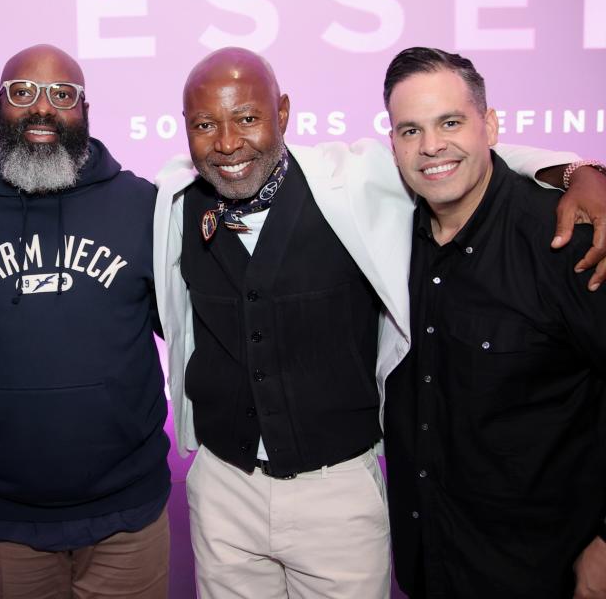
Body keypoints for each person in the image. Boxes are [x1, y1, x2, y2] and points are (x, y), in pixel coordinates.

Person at [152, 46, 606, 599]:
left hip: (339, 492)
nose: (227, 141)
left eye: (248, 117)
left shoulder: (356, 182)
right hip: (224, 490)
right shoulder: (172, 201)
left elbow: (462, 155)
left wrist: (580, 170)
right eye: (205, 124)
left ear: (284, 114)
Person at [0, 44, 170, 599]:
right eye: (23, 93)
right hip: (7, 514)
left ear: (84, 109)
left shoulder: (144, 206)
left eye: (61, 95)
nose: (42, 109)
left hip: (128, 509)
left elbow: (188, 329)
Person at [382, 47, 606, 599]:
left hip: (542, 572)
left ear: (492, 126)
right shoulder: (383, 239)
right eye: (410, 130)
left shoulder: (563, 242)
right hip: (428, 566)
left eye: (451, 122)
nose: (431, 145)